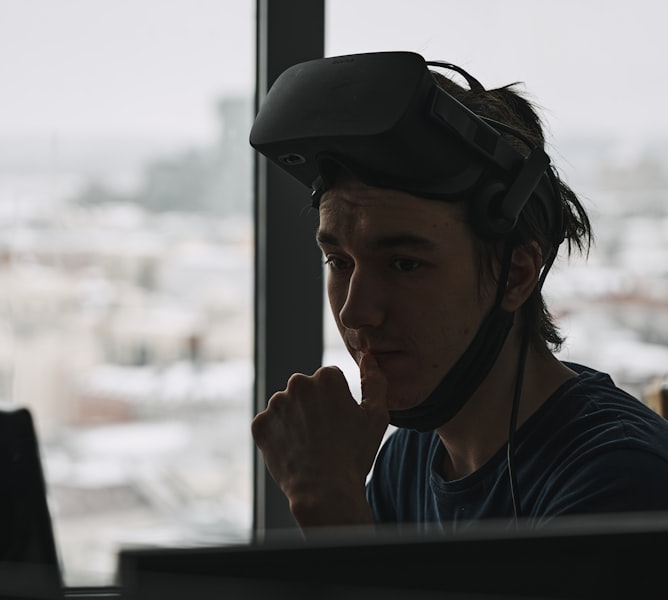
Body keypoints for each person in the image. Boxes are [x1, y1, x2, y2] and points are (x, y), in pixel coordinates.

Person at [248, 51, 668, 532]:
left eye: (405, 264)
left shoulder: (620, 480)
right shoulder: (408, 457)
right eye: (339, 262)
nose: (354, 311)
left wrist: (329, 504)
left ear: (516, 275)